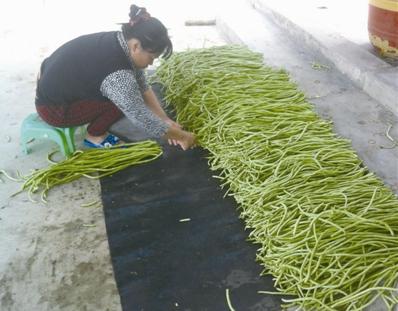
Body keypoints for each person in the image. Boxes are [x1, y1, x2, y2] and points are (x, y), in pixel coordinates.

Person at [35, 4, 196, 150]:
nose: (151, 63)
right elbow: (142, 118)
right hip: (54, 109)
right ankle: (95, 136)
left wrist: (164, 119)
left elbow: (142, 85)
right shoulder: (118, 76)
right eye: (152, 57)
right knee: (123, 102)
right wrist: (184, 137)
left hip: (50, 83)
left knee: (129, 93)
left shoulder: (120, 40)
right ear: (136, 46)